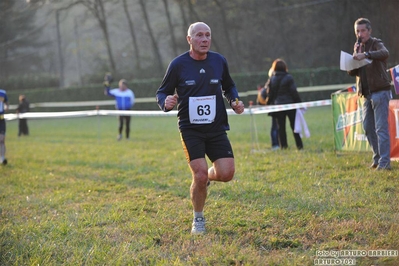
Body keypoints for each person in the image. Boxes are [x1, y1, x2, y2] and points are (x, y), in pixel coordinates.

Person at [156, 22, 245, 234]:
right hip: (190, 130)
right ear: (189, 39)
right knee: (199, 174)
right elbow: (162, 92)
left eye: (207, 35)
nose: (204, 39)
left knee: (227, 173)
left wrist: (234, 100)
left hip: (216, 128)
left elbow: (228, 86)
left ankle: (206, 178)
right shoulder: (178, 65)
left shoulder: (219, 60)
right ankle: (198, 219)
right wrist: (165, 102)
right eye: (199, 36)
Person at [349, 18, 392, 170]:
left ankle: (385, 163)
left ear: (369, 31)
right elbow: (352, 72)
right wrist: (355, 56)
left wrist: (366, 54)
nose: (360, 34)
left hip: (380, 91)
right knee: (368, 127)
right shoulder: (357, 47)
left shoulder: (376, 43)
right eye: (357, 31)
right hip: (365, 94)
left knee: (381, 128)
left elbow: (385, 53)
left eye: (363, 31)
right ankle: (378, 158)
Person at [264, 59, 303, 150]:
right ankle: (299, 146)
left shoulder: (272, 79)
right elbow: (294, 92)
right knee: (294, 126)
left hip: (278, 106)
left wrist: (267, 103)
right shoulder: (289, 77)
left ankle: (284, 146)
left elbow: (270, 94)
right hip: (290, 106)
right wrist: (299, 103)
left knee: (281, 128)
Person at [0, 88, 9, 165]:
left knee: (2, 140)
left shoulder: (3, 93)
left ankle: (2, 158)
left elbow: (6, 103)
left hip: (1, 120)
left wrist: (6, 106)